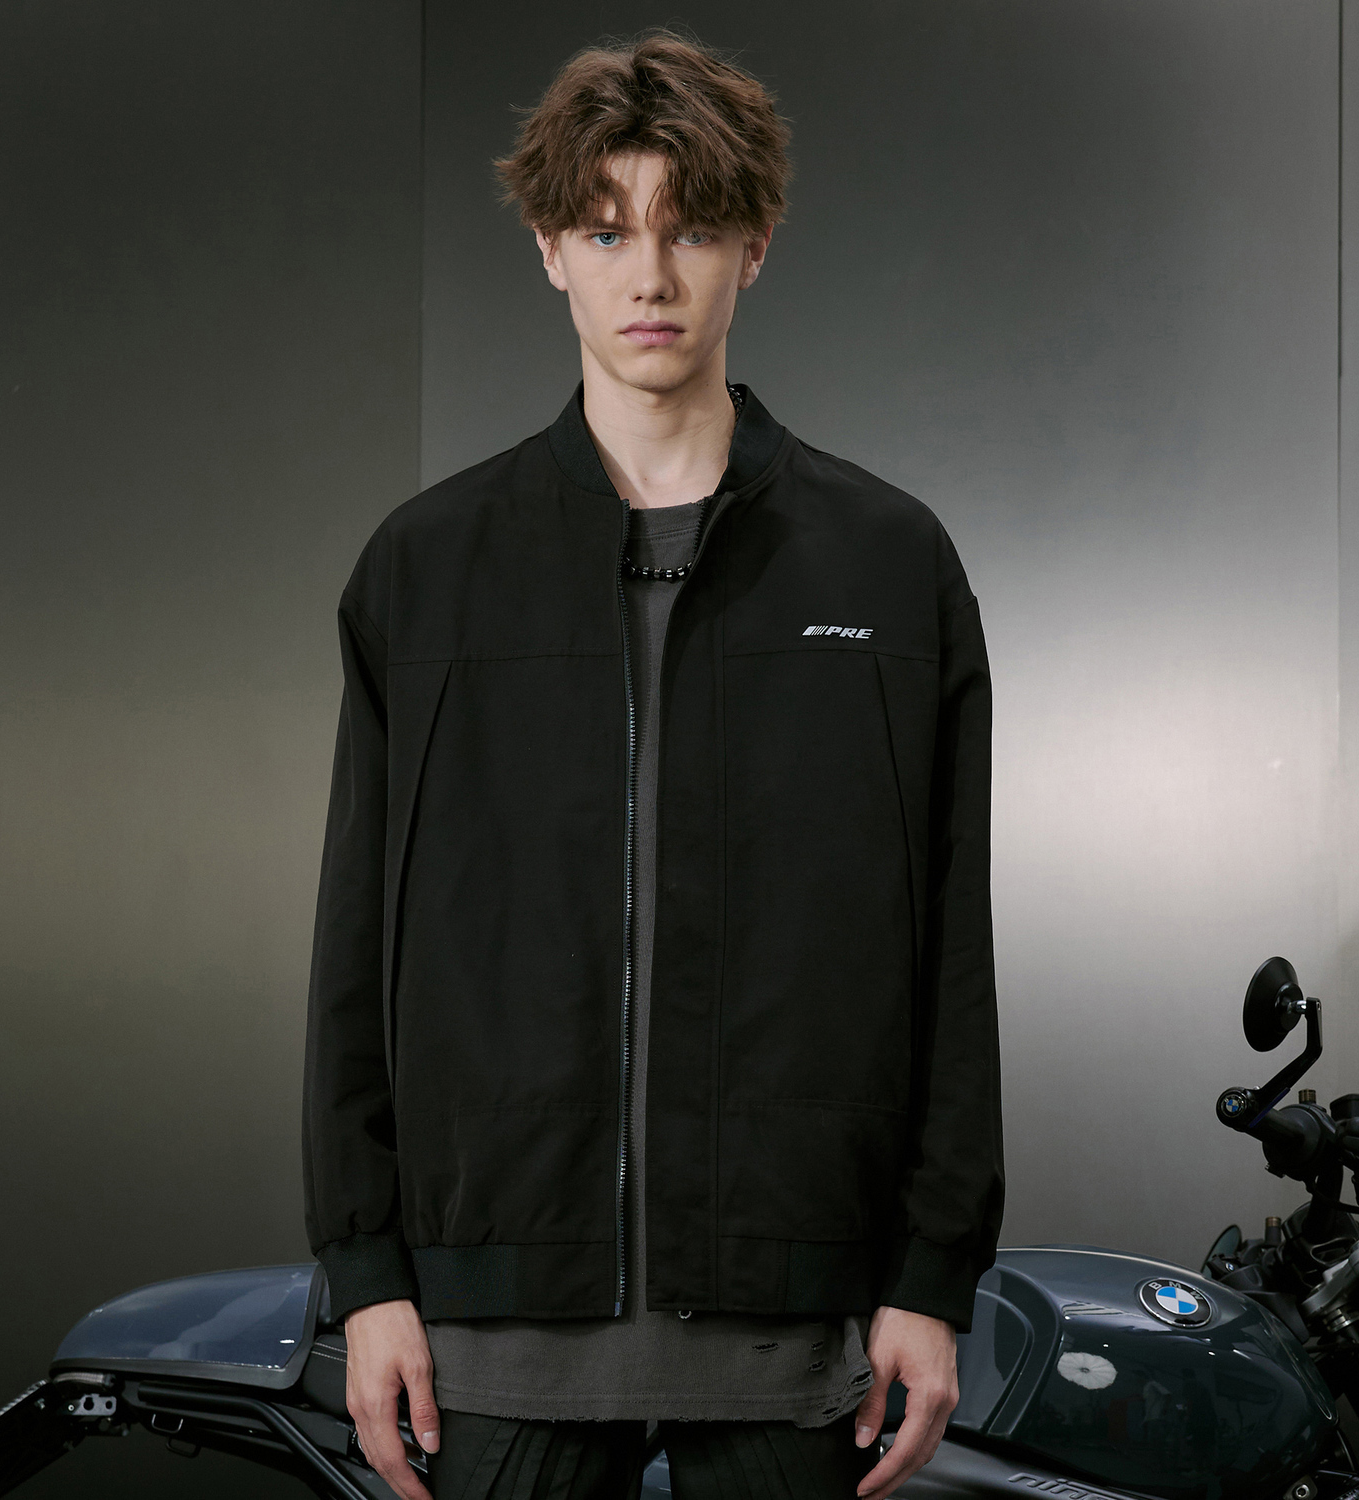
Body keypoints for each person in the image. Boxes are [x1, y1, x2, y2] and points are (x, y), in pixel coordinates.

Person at [302, 28, 1004, 1500]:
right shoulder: (425, 573)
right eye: (608, 228)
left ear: (756, 246)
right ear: (551, 251)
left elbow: (953, 946)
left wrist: (934, 1274)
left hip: (797, 1325)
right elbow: (355, 955)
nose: (652, 274)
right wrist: (365, 1275)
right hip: (493, 1330)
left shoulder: (889, 565)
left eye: (691, 228)